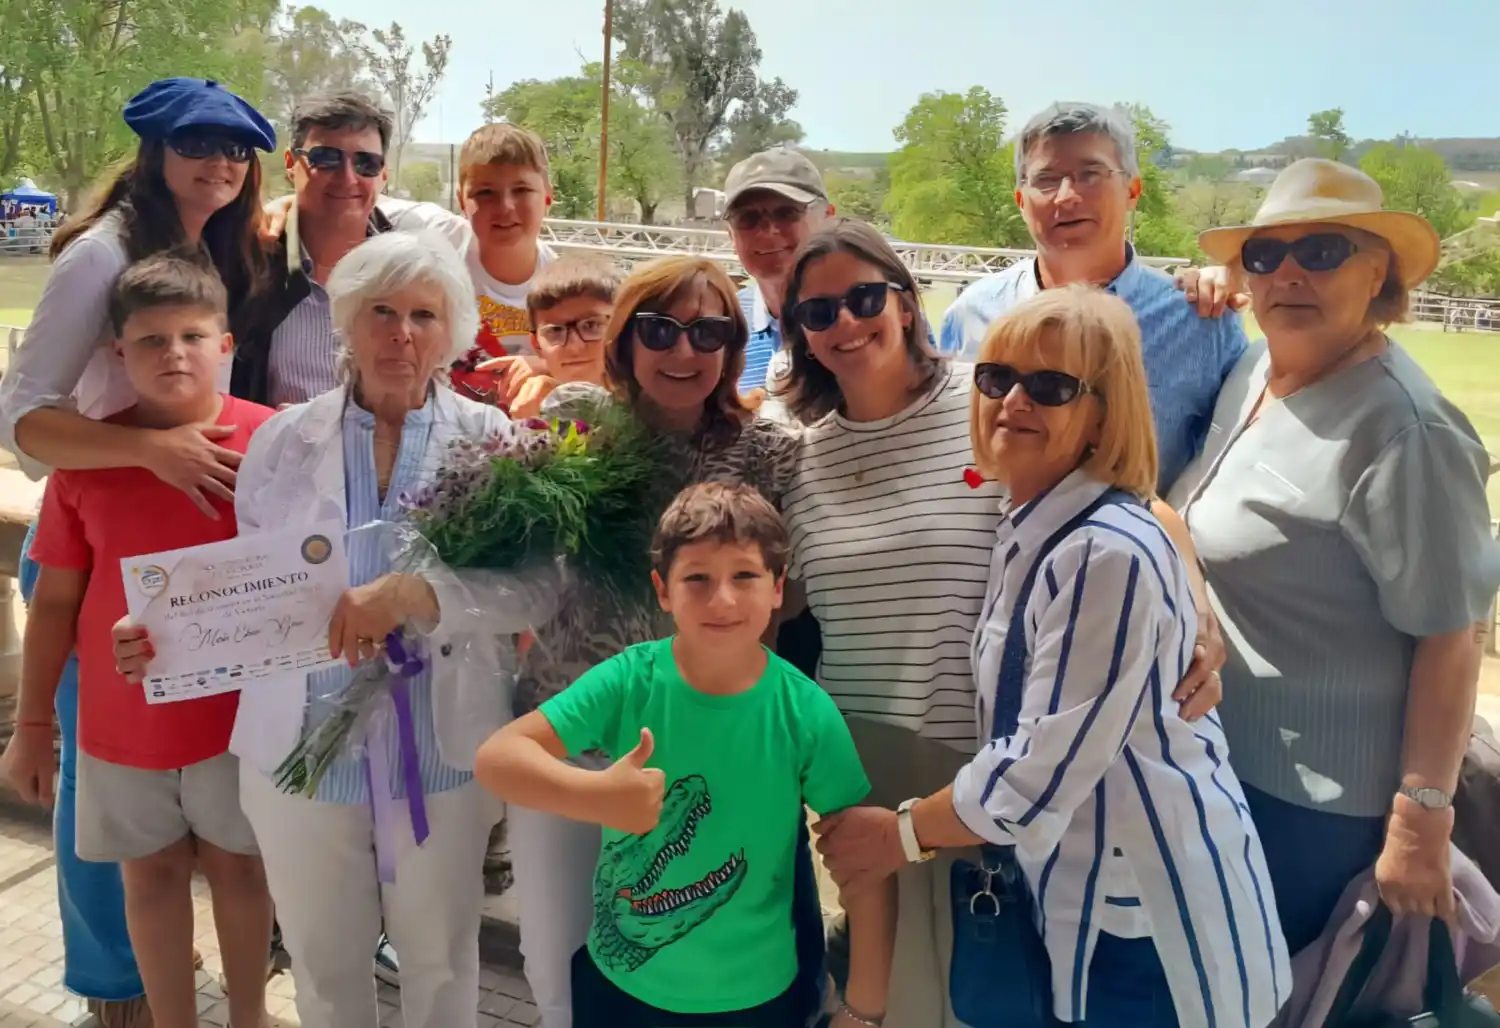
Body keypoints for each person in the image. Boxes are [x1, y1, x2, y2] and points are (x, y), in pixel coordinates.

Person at [775, 218, 1222, 1028]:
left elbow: (1129, 498)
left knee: (981, 981)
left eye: (864, 297)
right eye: (818, 312)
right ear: (799, 334)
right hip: (857, 751)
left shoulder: (990, 402)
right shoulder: (800, 459)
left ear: (906, 304)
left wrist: (1196, 603)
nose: (845, 321)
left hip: (983, 753)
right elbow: (777, 609)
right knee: (892, 985)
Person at [116, 231, 552, 1028]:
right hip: (302, 753)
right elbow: (248, 591)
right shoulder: (283, 442)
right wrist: (163, 633)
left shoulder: (498, 447)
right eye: (380, 312)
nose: (401, 333)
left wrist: (425, 594)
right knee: (323, 963)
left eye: (424, 314)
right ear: (346, 324)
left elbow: (539, 590)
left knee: (440, 963)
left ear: (451, 330)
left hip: (442, 751)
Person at [1169, 158, 1500, 955]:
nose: (1288, 274)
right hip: (1225, 765)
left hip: (1320, 808)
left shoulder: (1407, 431)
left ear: (1377, 270)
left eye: (1320, 252)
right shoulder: (1255, 368)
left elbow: (1453, 634)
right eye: (1263, 255)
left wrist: (1421, 819)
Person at [0, 75, 276, 1028]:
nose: (220, 162)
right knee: (109, 796)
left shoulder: (200, 248)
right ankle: (116, 994)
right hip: (97, 540)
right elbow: (22, 418)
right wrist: (146, 451)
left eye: (238, 150)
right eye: (198, 143)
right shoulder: (104, 255)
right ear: (155, 151)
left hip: (195, 564)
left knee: (194, 812)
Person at [505, 256, 803, 1028]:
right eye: (660, 328)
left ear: (734, 346)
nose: (683, 351)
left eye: (708, 331)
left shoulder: (771, 453)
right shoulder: (577, 419)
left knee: (676, 953)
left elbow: (794, 588)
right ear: (627, 339)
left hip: (700, 753)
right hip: (570, 733)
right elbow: (508, 544)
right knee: (555, 951)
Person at [476, 482, 894, 1028]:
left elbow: (868, 862)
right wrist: (597, 797)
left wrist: (864, 1009)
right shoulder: (630, 680)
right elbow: (498, 757)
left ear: (777, 587)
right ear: (663, 590)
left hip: (758, 997)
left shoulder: (805, 711)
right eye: (697, 578)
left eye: (744, 576)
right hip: (619, 991)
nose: (722, 599)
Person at [939, 101, 1246, 494]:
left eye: (1090, 174)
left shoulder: (1200, 322)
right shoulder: (971, 314)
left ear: (1133, 190)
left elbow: (1223, 473)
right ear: (1020, 200)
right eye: (1046, 179)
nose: (1066, 197)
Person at [441, 123, 559, 404]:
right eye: (485, 193)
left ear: (547, 197)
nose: (505, 206)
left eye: (521, 189)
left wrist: (546, 366)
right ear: (461, 200)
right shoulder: (439, 270)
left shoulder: (564, 285)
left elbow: (591, 365)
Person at [505, 255, 622, 418]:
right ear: (537, 344)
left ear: (622, 327)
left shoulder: (654, 407)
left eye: (591, 326)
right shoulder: (525, 406)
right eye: (555, 331)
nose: (574, 347)